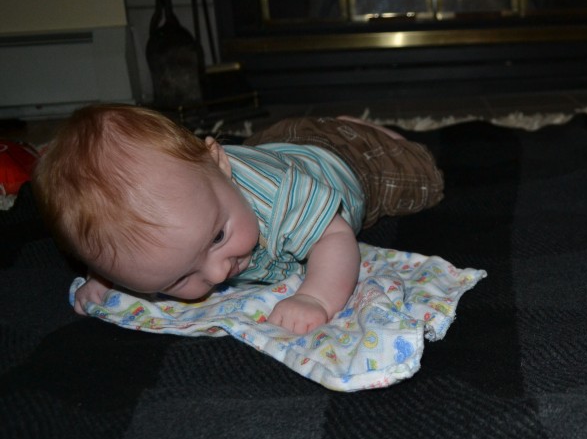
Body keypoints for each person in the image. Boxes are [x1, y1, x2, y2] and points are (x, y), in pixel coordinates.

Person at [32, 105, 444, 334]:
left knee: (423, 178)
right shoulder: (178, 218)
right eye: (177, 279)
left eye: (217, 237)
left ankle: (364, 128)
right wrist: (99, 278)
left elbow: (335, 239)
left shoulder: (284, 198)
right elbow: (121, 251)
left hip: (348, 163)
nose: (217, 271)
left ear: (220, 164)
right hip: (269, 144)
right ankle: (321, 126)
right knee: (276, 142)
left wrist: (315, 297)